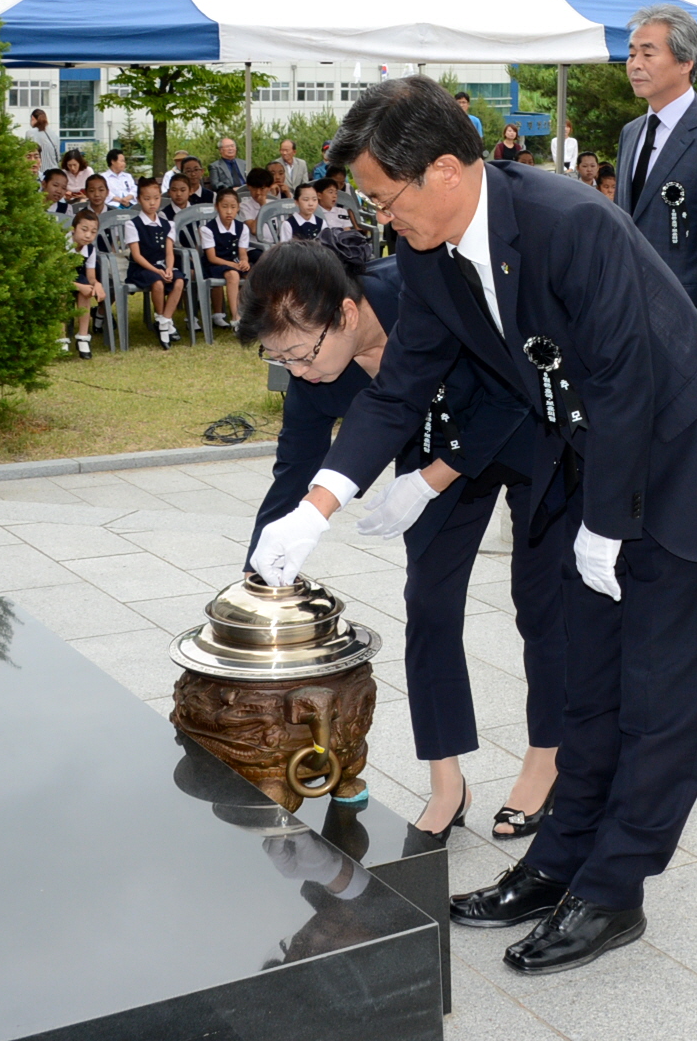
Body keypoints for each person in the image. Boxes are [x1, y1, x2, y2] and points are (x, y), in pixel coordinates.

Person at [246, 75, 697, 975]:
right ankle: (559, 860)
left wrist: (605, 525)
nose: (380, 218)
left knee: (658, 695)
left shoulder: (570, 223)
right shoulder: (425, 249)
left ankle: (614, 890)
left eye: (384, 196)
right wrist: (318, 504)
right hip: (597, 459)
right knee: (588, 685)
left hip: (688, 464)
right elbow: (405, 382)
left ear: (443, 171)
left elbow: (623, 380)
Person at [238, 238, 559, 840]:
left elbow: (513, 389)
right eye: (281, 360)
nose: (299, 371)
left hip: (524, 435)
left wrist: (430, 480)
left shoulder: (427, 291)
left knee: (543, 604)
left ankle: (545, 763)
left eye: (303, 354)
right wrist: (259, 578)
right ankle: (447, 784)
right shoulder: (311, 368)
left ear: (346, 314)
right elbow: (295, 471)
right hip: (429, 459)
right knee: (429, 605)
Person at [618, 4, 697, 319]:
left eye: (648, 54)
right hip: (628, 314)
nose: (635, 64)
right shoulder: (631, 133)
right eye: (632, 54)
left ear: (686, 62)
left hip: (687, 317)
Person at [125, 178, 189, 348]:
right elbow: (137, 255)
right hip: (142, 268)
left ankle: (165, 320)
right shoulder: (133, 224)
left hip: (161, 265)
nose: (152, 203)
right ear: (139, 200)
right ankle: (161, 319)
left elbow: (169, 251)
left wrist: (168, 268)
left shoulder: (168, 224)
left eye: (155, 198)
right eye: (147, 199)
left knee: (179, 280)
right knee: (158, 282)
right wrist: (158, 270)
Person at [202, 187, 251, 326]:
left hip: (234, 262)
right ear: (217, 207)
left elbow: (242, 252)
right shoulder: (208, 229)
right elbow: (212, 257)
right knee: (233, 275)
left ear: (238, 208)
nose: (229, 211)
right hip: (215, 265)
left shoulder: (242, 228)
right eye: (224, 207)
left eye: (233, 207)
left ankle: (250, 313)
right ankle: (236, 318)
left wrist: (244, 261)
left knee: (252, 273)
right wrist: (235, 265)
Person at [66, 209, 105, 358]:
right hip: (60, 280)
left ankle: (83, 336)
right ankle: (60, 337)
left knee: (87, 291)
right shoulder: (62, 245)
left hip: (79, 279)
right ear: (73, 229)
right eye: (84, 230)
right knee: (62, 295)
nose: (88, 235)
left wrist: (97, 285)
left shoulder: (89, 249)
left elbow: (91, 276)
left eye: (93, 232)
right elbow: (57, 277)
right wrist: (78, 286)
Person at [24, 108, 60, 172]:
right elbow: (58, 157)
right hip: (54, 171)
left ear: (33, 118)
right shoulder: (54, 134)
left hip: (39, 171)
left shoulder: (30, 133)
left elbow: (28, 153)